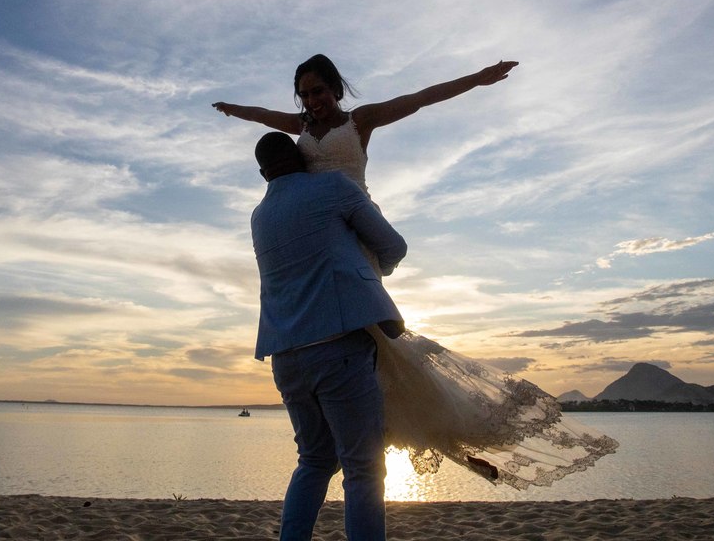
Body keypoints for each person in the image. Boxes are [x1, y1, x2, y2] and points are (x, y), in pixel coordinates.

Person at [218, 56, 618, 489]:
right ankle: (432, 441)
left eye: (319, 91)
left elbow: (420, 100)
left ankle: (435, 438)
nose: (313, 101)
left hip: (359, 229)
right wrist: (233, 110)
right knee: (375, 350)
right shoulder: (300, 128)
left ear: (336, 88)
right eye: (306, 94)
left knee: (370, 339)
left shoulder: (359, 122)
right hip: (327, 239)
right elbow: (261, 117)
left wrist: (477, 80)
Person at [251, 131, 407, 541]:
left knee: (315, 459)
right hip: (338, 347)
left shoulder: (259, 215)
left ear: (263, 172)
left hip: (284, 356)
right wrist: (376, 268)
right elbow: (394, 244)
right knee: (363, 467)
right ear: (303, 157)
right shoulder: (333, 186)